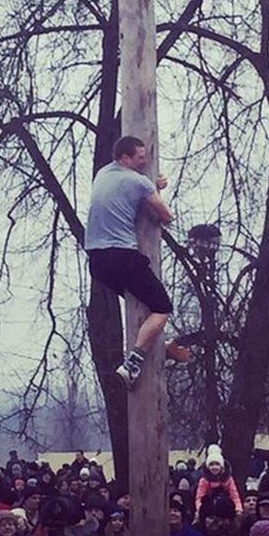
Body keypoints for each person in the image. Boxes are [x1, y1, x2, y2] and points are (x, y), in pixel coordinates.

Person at [84, 135, 174, 386]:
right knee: (162, 308)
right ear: (125, 157)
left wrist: (151, 185)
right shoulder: (140, 182)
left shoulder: (103, 174)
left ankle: (153, 342)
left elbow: (125, 191)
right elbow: (166, 215)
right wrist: (155, 189)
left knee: (142, 302)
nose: (145, 161)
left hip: (97, 261)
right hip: (122, 256)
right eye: (140, 157)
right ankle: (133, 363)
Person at [194, 444, 242, 515]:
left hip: (226, 508)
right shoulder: (204, 480)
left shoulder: (228, 479)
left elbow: (234, 496)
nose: (214, 467)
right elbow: (199, 498)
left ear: (221, 466)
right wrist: (200, 509)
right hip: (208, 509)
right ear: (208, 467)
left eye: (217, 464)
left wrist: (238, 509)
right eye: (211, 464)